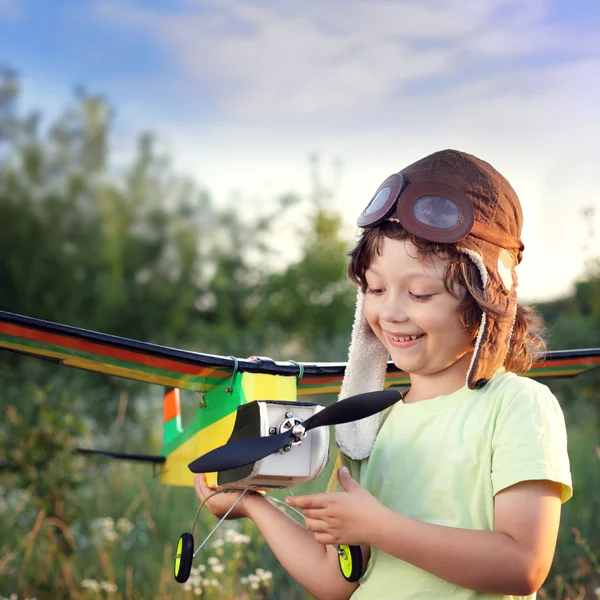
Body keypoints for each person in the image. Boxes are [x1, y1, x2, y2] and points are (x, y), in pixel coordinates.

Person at [193, 149, 572, 600]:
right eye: (374, 288)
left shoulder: (516, 405)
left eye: (419, 293)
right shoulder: (364, 425)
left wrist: (380, 526)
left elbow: (522, 565)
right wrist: (253, 505)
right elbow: (334, 580)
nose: (390, 312)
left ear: (484, 300)